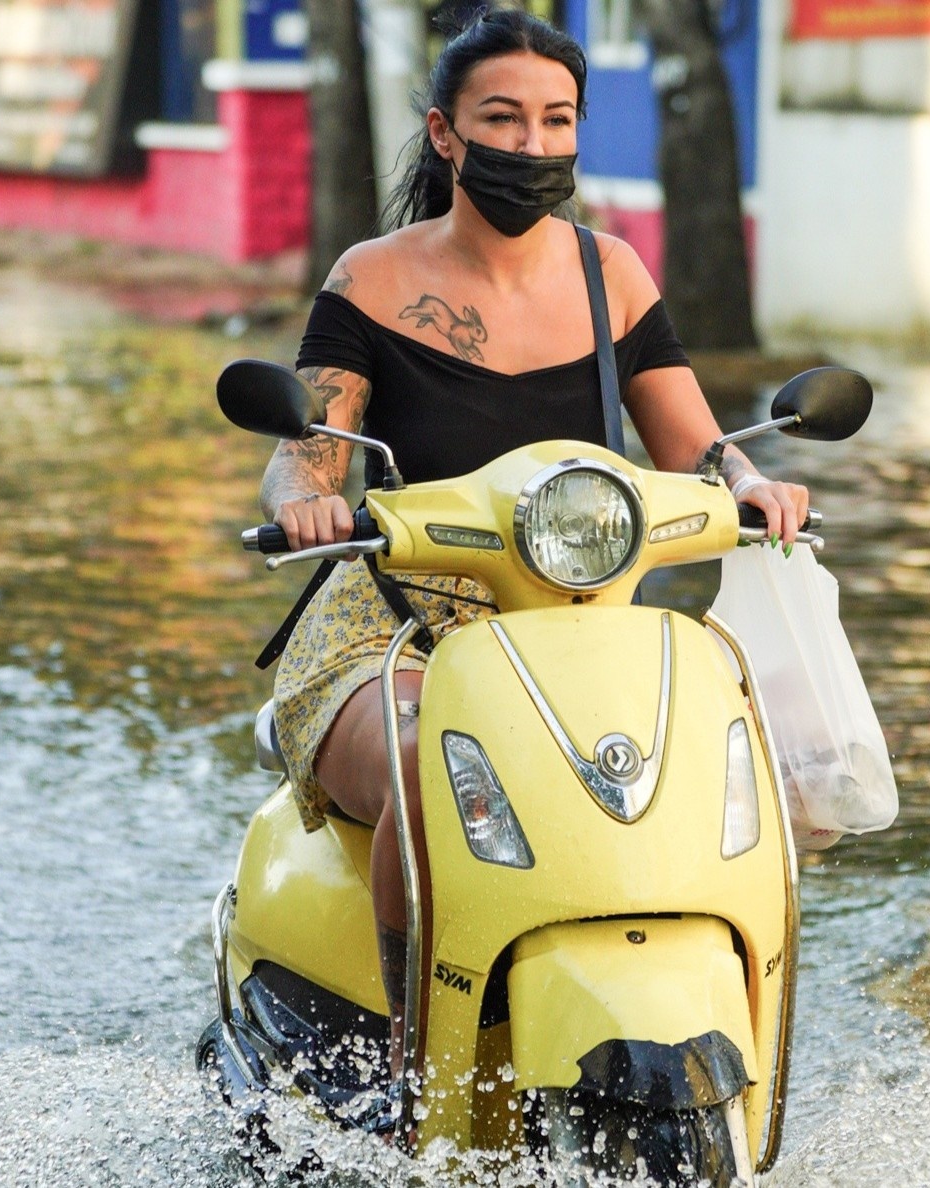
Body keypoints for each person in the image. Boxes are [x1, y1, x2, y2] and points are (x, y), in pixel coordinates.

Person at [258, 5, 808, 1104]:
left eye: (557, 119)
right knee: (429, 774)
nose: (532, 141)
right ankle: (415, 1078)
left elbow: (697, 445)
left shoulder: (613, 275)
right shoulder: (371, 279)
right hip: (395, 621)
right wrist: (310, 504)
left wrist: (751, 485)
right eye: (502, 118)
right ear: (446, 133)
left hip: (575, 623)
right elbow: (303, 457)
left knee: (723, 762)